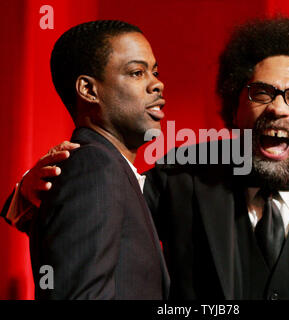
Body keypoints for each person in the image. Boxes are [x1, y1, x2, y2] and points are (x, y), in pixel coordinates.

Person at [2, 17, 289, 300]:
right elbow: (94, 217)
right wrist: (27, 193)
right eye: (261, 93)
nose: (278, 108)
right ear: (234, 110)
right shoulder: (182, 178)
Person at [1, 20, 170, 299]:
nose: (158, 84)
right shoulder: (94, 167)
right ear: (89, 90)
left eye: (155, 71)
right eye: (137, 73)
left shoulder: (112, 170)